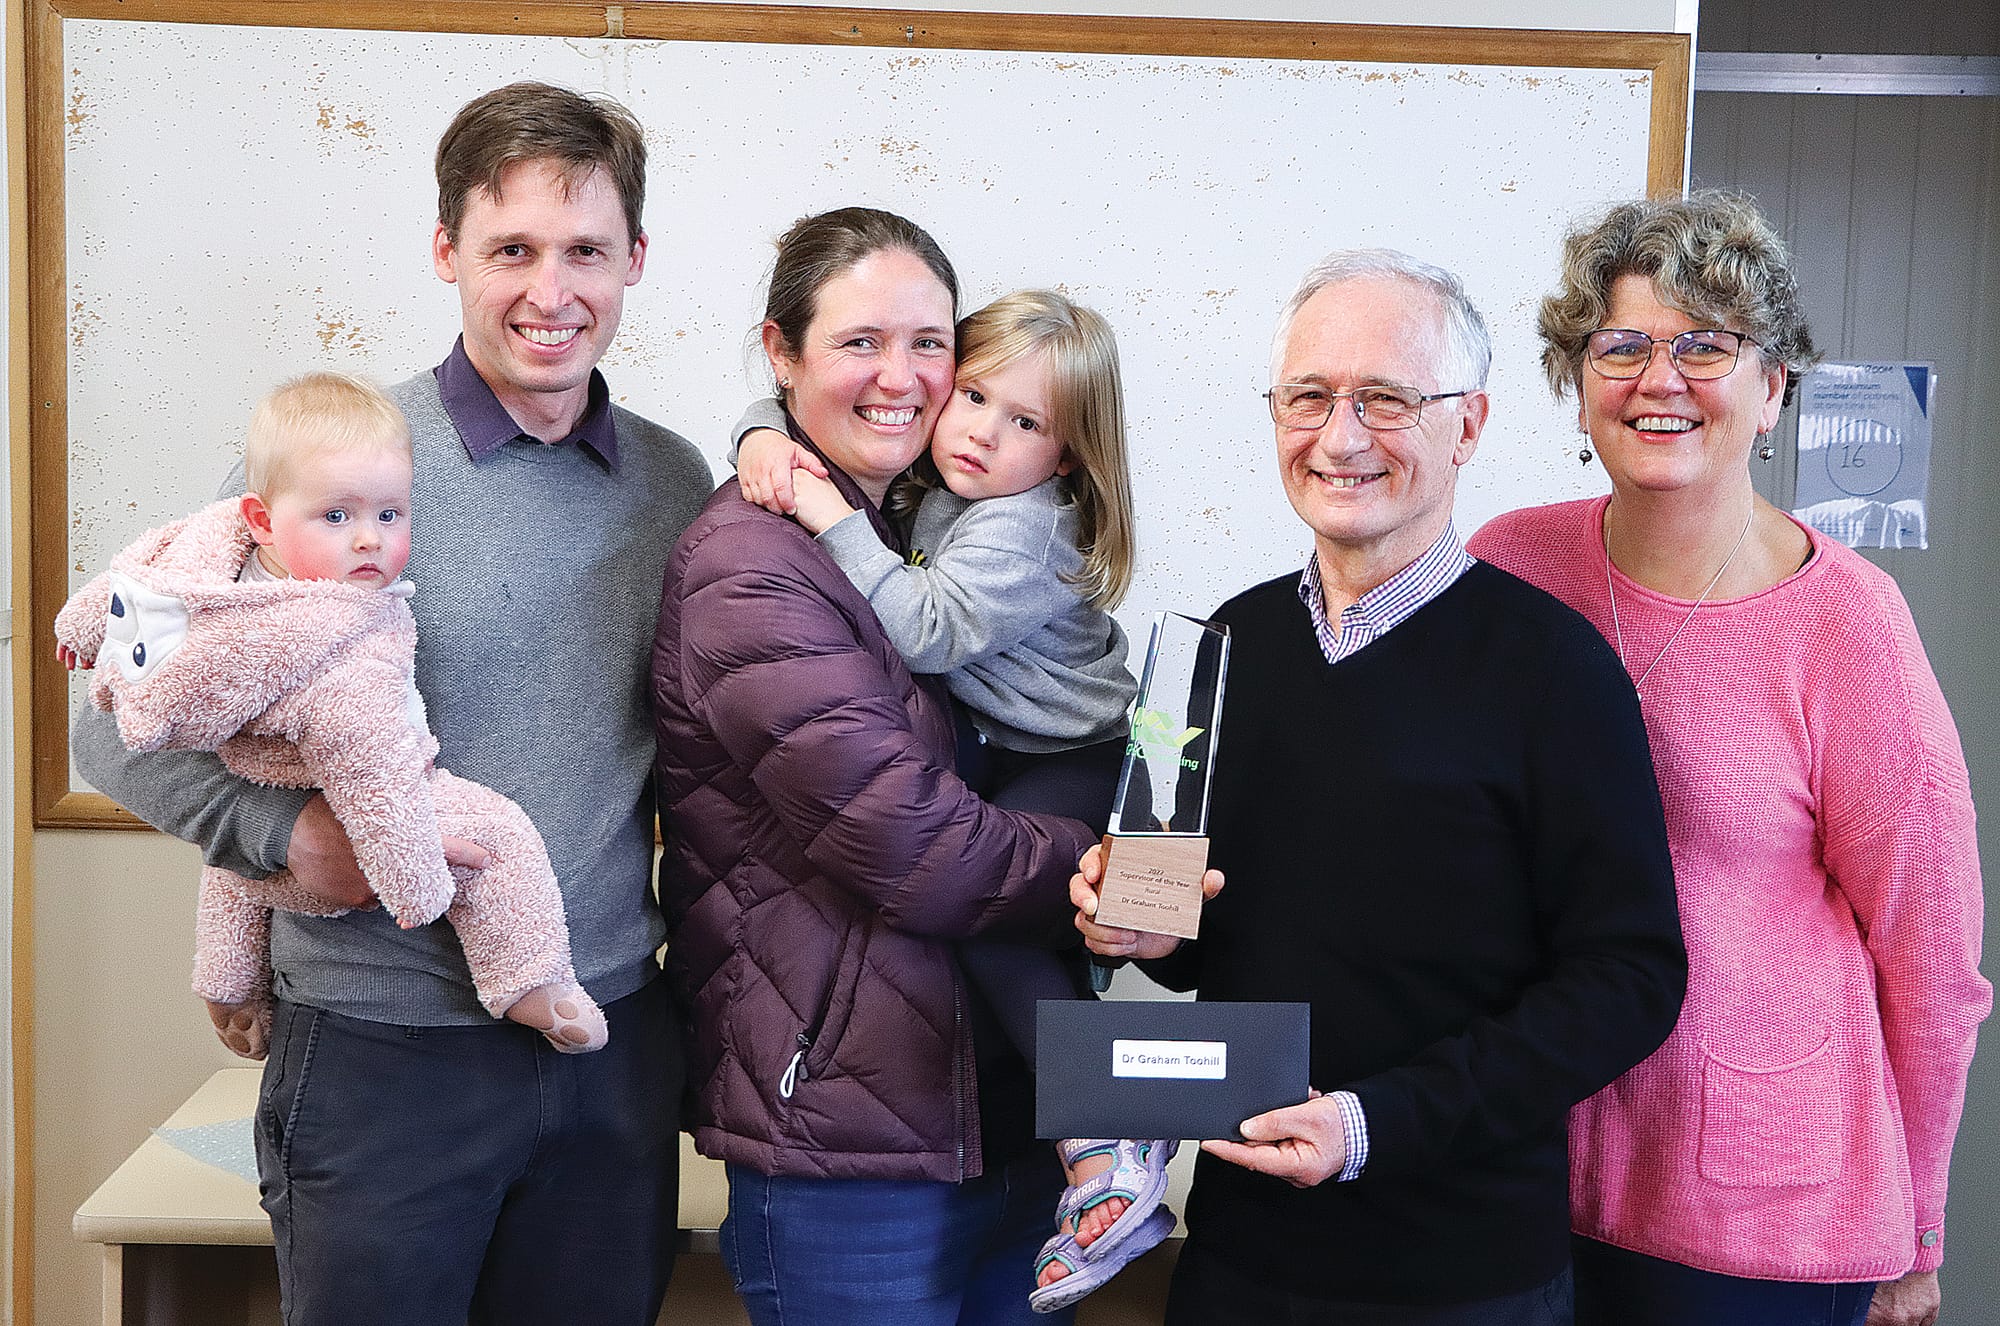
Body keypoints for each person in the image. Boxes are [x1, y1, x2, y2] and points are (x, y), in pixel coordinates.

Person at [70, 83, 713, 1325]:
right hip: (382, 1054)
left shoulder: (675, 483)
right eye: (509, 249)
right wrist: (284, 837)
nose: (550, 290)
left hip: (608, 1042)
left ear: (635, 260)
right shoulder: (339, 467)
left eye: (585, 251)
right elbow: (107, 721)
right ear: (443, 253)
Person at [1069, 248, 1688, 1325]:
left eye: (1386, 400)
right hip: (1240, 1260)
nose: (1339, 436)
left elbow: (1629, 976)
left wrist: (1376, 1123)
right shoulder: (1221, 645)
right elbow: (1207, 941)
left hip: (1461, 1277)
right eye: (1308, 396)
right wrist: (1146, 936)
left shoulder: (1555, 670)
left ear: (1468, 423)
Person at [1468, 193, 1991, 1326]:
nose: (1660, 379)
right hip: (1526, 1169)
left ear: (1771, 389)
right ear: (1577, 382)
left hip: (1761, 1220)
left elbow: (1933, 958)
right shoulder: (1507, 567)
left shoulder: (1849, 625)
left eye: (1705, 345)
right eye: (1622, 346)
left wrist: (1918, 1228)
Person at [652, 208, 1102, 1326]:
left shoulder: (915, 508)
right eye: (859, 342)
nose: (903, 378)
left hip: (992, 1120)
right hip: (847, 1148)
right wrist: (1106, 869)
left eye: (929, 343)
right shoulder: (754, 567)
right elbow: (922, 850)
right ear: (781, 351)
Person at [733, 291, 1177, 1310]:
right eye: (972, 396)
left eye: (1025, 422)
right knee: (970, 908)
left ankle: (1109, 1125)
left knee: (985, 915)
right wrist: (766, 436)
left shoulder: (1021, 526)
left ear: (1065, 456)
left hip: (1077, 751)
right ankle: (1101, 1140)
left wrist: (825, 510)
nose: (982, 430)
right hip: (1006, 747)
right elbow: (794, 412)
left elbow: (926, 630)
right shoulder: (941, 480)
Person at [56, 372, 606, 1061]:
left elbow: (139, 581)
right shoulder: (344, 629)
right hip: (358, 1021)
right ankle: (530, 979)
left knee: (234, 881)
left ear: (633, 260)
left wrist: (78, 625)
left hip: (626, 1006)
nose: (371, 541)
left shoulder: (668, 472)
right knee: (498, 837)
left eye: (390, 515)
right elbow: (371, 762)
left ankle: (226, 977)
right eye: (339, 518)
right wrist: (389, 873)